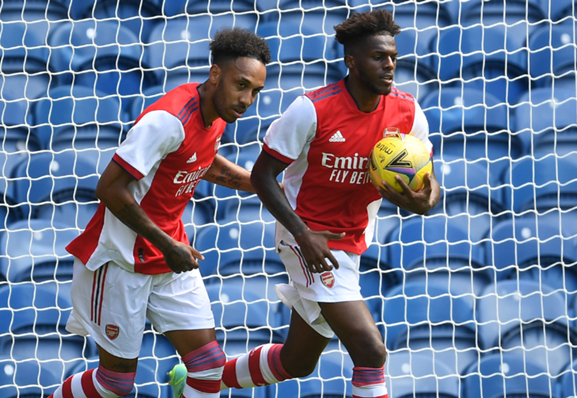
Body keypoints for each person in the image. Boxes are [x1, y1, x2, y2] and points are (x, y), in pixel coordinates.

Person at [169, 9, 441, 398]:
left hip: (351, 243)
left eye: (393, 57)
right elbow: (263, 176)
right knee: (370, 350)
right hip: (308, 241)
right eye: (378, 57)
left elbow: (430, 182)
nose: (390, 65)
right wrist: (303, 233)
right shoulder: (312, 109)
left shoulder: (408, 112)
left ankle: (197, 380)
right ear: (351, 61)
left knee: (298, 361)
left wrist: (424, 202)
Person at [47, 27, 270, 398]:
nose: (247, 99)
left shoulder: (216, 114)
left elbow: (201, 162)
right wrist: (166, 244)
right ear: (215, 74)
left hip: (168, 256)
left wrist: (260, 184)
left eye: (255, 92)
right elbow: (108, 188)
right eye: (241, 85)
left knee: (208, 367)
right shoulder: (168, 120)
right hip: (120, 260)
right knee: (114, 384)